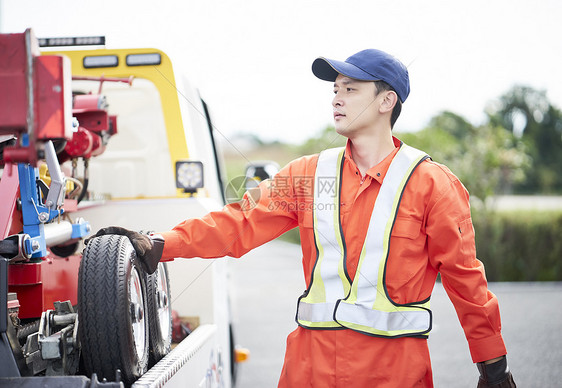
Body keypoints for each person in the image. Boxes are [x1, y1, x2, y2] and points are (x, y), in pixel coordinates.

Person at [91, 49, 516, 387]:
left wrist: (492, 366)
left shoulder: (432, 185)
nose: (336, 97)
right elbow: (240, 222)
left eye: (351, 89)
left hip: (392, 375)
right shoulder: (311, 175)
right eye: (335, 88)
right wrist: (161, 243)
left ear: (388, 101)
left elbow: (466, 281)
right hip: (307, 372)